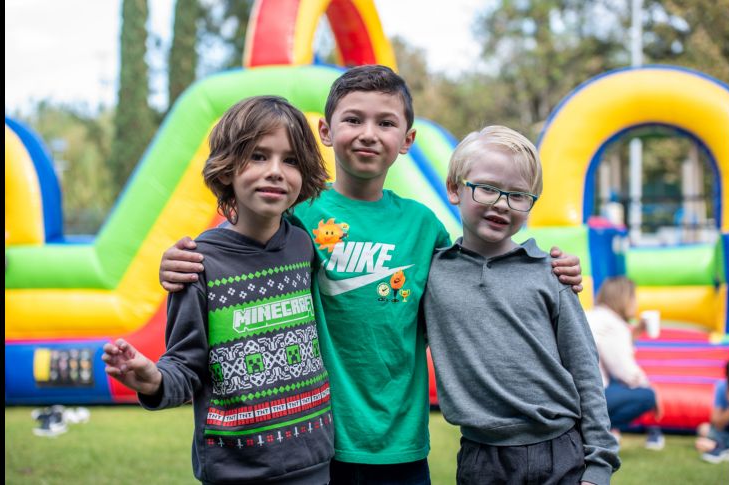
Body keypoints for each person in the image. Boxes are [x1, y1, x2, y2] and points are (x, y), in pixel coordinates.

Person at [158, 65, 584, 484]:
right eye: (353, 119)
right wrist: (182, 259)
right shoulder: (297, 217)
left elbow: (477, 273)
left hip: (402, 447)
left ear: (407, 140)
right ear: (326, 131)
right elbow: (244, 242)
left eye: (385, 122)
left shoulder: (423, 227)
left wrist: (547, 267)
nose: (368, 133)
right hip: (319, 444)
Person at [102, 95, 334, 484]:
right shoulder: (195, 264)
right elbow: (185, 367)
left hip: (315, 462)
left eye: (290, 160)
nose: (276, 171)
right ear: (226, 170)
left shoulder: (304, 246)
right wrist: (153, 380)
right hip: (237, 471)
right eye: (258, 156)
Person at [423, 125, 620, 485]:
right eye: (487, 188)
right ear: (454, 188)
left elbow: (585, 369)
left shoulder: (551, 274)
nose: (501, 203)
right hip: (481, 457)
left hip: (560, 451)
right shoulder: (430, 272)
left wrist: (599, 464)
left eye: (518, 195)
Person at [585, 276, 665, 450]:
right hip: (587, 398)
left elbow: (604, 353)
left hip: (568, 393)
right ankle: (593, 433)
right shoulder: (613, 324)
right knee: (646, 396)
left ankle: (596, 432)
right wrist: (653, 390)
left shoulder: (592, 315)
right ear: (624, 299)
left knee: (615, 382)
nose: (636, 305)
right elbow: (625, 371)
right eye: (634, 299)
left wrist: (632, 335)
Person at [695, 360, 729, 463]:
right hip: (725, 431)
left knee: (704, 442)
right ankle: (722, 447)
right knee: (703, 429)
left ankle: (720, 447)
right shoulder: (722, 386)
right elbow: (716, 422)